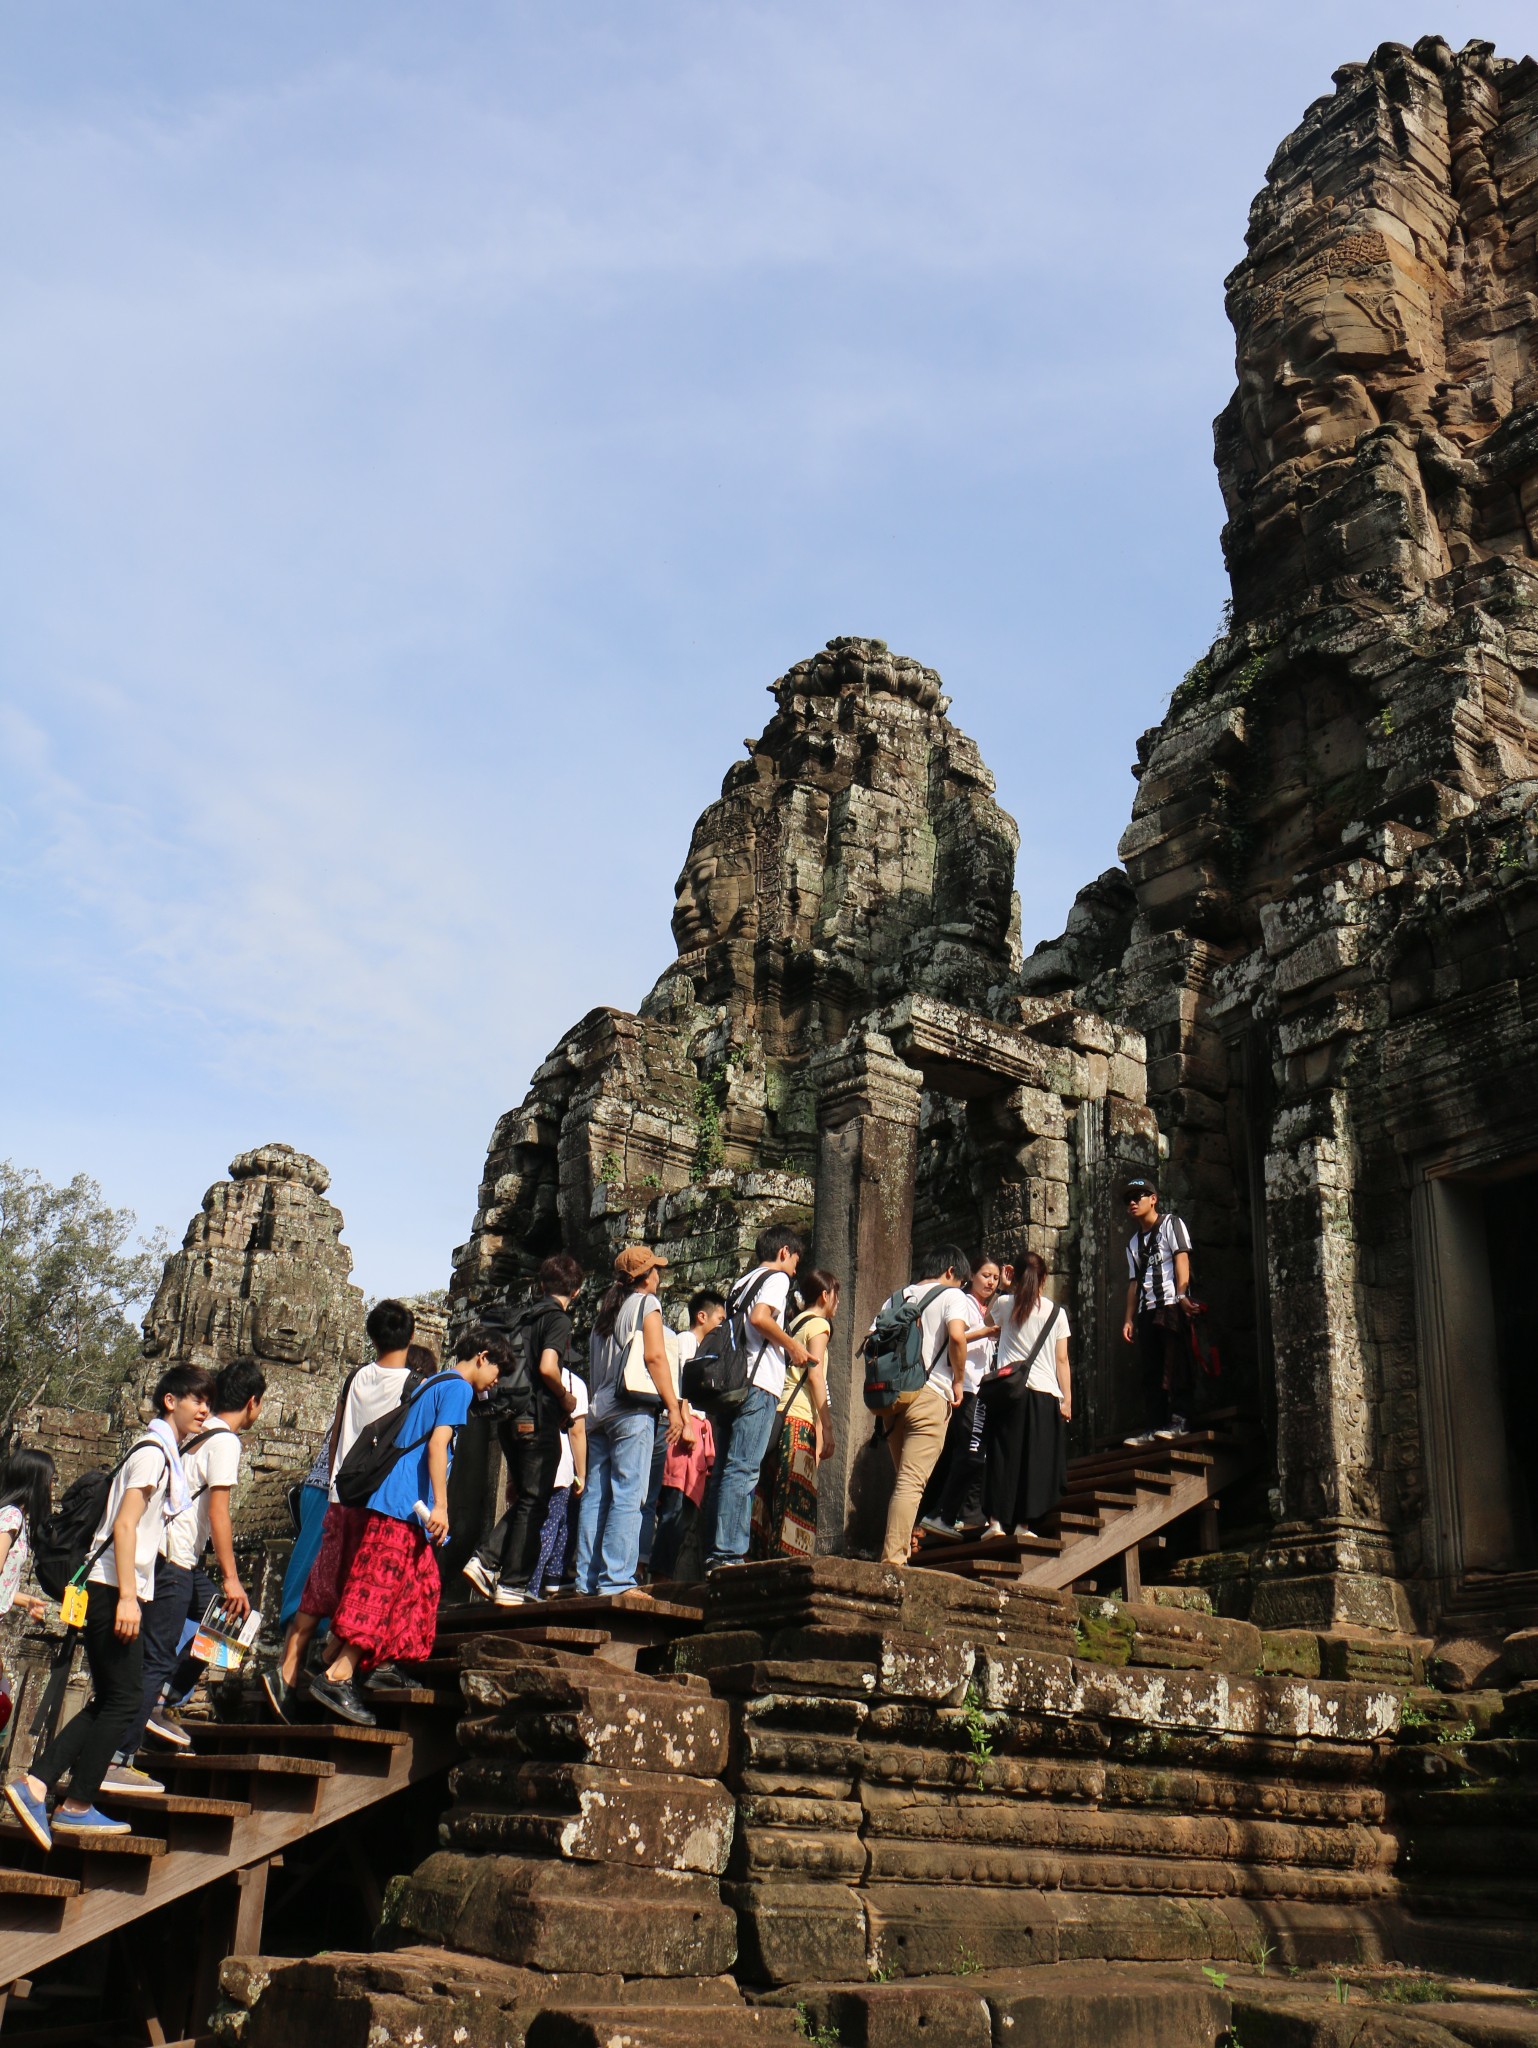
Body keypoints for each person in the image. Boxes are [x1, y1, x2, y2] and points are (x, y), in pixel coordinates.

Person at [6, 1365, 212, 1849]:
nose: (204, 1409)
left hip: (111, 1588)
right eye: (196, 1400)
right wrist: (126, 1596)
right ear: (170, 1402)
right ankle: (74, 1802)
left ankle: (38, 1785)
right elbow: (124, 1526)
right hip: (113, 1589)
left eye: (208, 1401)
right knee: (123, 1699)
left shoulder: (160, 1454)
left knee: (113, 1697)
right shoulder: (155, 1455)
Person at [309, 1330, 505, 1725]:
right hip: (404, 1505)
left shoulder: (431, 1381)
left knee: (421, 1587)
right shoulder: (459, 1389)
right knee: (379, 1589)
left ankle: (379, 1661)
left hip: (396, 1504)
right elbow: (437, 1445)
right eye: (499, 1369)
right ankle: (338, 1673)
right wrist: (442, 1506)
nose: (498, 1380)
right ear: (483, 1357)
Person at [105, 1357, 266, 1794]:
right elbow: (218, 1513)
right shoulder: (225, 1441)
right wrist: (232, 1578)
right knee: (161, 1654)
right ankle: (120, 1754)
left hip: (180, 1561)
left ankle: (162, 1700)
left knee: (231, 1626)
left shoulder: (198, 1431)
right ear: (253, 1403)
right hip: (176, 1560)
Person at [271, 1298, 416, 1715]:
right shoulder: (414, 1386)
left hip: (339, 1494)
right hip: (376, 1502)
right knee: (362, 1586)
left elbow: (336, 1438)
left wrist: (335, 1479)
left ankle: (288, 1672)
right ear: (410, 1338)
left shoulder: (354, 1378)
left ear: (371, 1336)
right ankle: (337, 1668)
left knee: (321, 1583)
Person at [461, 1254, 585, 1606]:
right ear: (575, 1291)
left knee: (529, 1497)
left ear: (542, 1285)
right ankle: (506, 1577)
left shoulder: (522, 1317)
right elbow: (548, 1367)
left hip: (509, 1417)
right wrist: (565, 1398)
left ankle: (490, 1565)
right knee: (536, 1500)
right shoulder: (557, 1319)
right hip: (538, 1418)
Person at [575, 1247, 692, 1597]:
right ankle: (616, 1580)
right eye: (656, 1270)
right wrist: (673, 1407)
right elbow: (655, 1356)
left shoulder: (604, 1316)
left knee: (596, 1497)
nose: (659, 1275)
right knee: (629, 1495)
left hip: (600, 1411)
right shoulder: (646, 1305)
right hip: (631, 1410)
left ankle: (587, 1580)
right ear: (646, 1276)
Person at [703, 1228, 813, 1573]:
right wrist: (792, 1345)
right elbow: (760, 1318)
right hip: (758, 1384)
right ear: (784, 1252)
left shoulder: (742, 1282)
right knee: (744, 1468)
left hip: (731, 1384)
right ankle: (730, 1554)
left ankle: (715, 1551)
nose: (796, 1270)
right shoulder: (777, 1279)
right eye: (796, 1261)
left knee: (724, 1471)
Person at [874, 1248, 972, 1569]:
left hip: (892, 1399)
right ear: (950, 1271)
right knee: (911, 1482)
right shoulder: (951, 1296)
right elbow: (957, 1337)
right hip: (930, 1395)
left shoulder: (896, 1298)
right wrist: (958, 1380)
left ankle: (900, 1547)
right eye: (961, 1280)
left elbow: (872, 1341)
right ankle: (893, 1560)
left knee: (904, 1479)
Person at [980, 1250, 1071, 1539]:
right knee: (1034, 1459)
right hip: (1044, 1393)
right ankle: (1023, 1525)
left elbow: (985, 1324)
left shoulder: (1006, 1304)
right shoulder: (1057, 1312)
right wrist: (1067, 1399)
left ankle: (995, 1523)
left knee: (1002, 1455)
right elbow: (1061, 1360)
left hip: (1010, 1392)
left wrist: (1006, 1287)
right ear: (1044, 1278)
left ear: (1015, 1276)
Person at [750, 1268, 839, 1561]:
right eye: (835, 1295)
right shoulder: (819, 1326)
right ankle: (787, 1563)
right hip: (799, 1417)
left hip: (777, 1414)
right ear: (826, 1296)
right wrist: (826, 1426)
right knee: (795, 1496)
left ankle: (758, 1556)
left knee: (770, 1491)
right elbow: (816, 1377)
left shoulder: (793, 1323)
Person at [639, 1290, 725, 1573]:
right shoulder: (688, 1340)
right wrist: (687, 1422)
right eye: (719, 1319)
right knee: (674, 1503)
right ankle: (657, 1571)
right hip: (685, 1430)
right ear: (702, 1316)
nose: (722, 1325)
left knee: (683, 1507)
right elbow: (683, 1384)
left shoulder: (701, 1344)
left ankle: (661, 1569)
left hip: (694, 1429)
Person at [920, 1255, 1002, 1536]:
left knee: (963, 1452)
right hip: (965, 1386)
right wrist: (986, 1332)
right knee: (972, 1452)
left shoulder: (979, 1309)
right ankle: (941, 1513)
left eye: (995, 1277)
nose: (991, 1281)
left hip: (972, 1388)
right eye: (985, 1275)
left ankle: (947, 1514)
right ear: (971, 1277)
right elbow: (957, 1336)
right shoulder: (963, 1302)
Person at [1120, 1178, 1196, 1445]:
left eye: (1138, 1196)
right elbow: (1133, 1282)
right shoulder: (1132, 1243)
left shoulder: (1171, 1224)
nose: (1132, 1202)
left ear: (1153, 1198)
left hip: (1171, 1304)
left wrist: (1183, 1294)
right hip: (1146, 1309)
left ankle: (1181, 1419)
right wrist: (1129, 1318)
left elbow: (1181, 1258)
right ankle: (1154, 1425)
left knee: (1176, 1362)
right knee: (1150, 1370)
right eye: (1128, 1199)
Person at [523, 1359, 588, 1602]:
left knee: (543, 1524)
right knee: (552, 1527)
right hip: (559, 1467)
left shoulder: (528, 1377)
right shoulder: (572, 1382)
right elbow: (577, 1432)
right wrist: (581, 1472)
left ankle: (547, 1579)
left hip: (530, 1463)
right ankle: (537, 1582)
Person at [0, 1447, 55, 1730]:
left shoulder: (11, 1515)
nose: (51, 1488)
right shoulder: (12, 1517)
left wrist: (24, 1600)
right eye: (49, 1480)